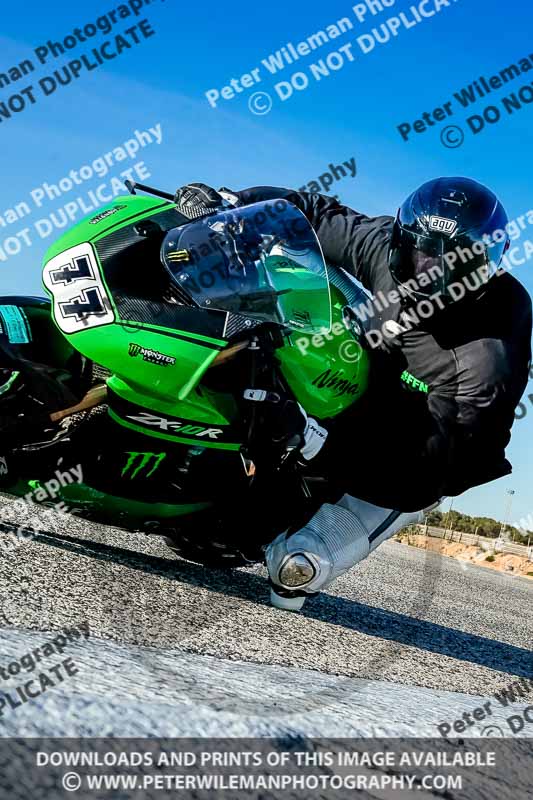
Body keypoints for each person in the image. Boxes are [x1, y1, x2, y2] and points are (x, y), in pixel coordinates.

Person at [173, 178, 533, 610]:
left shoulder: (484, 362)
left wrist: (314, 440)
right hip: (356, 378)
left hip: (410, 448)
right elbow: (316, 212)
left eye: (453, 264)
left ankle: (289, 533)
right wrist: (229, 202)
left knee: (294, 569)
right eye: (421, 254)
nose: (430, 274)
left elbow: (431, 471)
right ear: (402, 241)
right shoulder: (382, 247)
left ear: (485, 270)